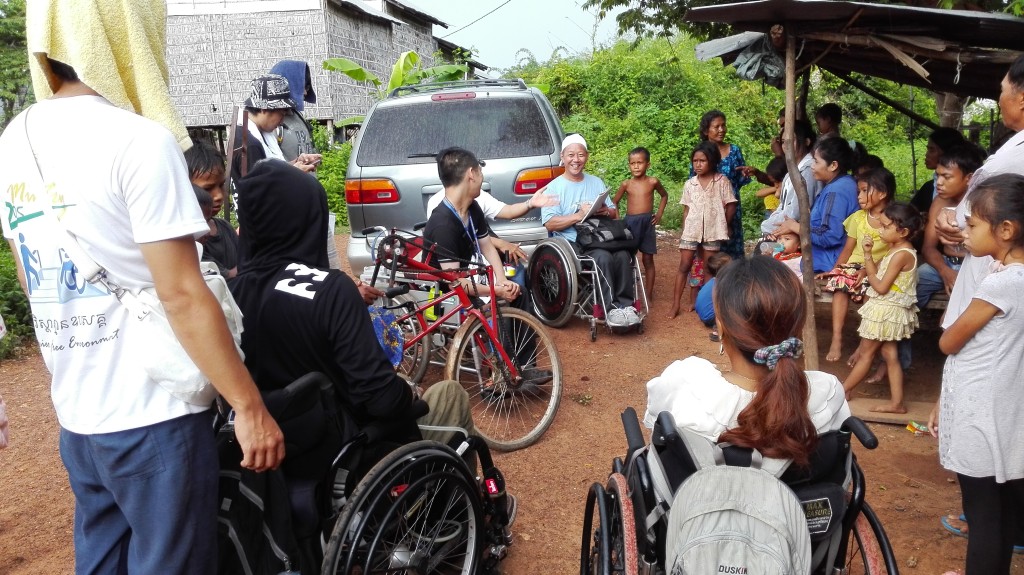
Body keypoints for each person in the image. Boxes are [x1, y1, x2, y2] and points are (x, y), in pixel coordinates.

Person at [0, 5, 285, 570]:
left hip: (78, 416)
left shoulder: (15, 138)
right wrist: (248, 405)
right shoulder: (139, 141)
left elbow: (29, 268)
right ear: (130, 32)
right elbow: (181, 294)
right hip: (153, 415)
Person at [644, 256, 850, 475]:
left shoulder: (686, 386)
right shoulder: (827, 393)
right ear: (797, 329)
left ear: (721, 328)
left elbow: (656, 434)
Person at [927, 174, 1024, 575]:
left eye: (972, 226)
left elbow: (949, 342)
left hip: (981, 416)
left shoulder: (1002, 285)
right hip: (1005, 414)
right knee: (1000, 515)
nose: (965, 234)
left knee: (982, 516)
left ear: (1005, 230)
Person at [938, 55, 1024, 332]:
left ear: (1021, 98)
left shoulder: (1014, 158)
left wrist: (953, 218)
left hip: (994, 273)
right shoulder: (1014, 146)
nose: (999, 99)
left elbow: (964, 219)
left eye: (1002, 90)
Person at [542, 134, 639, 327]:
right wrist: (578, 215)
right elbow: (550, 223)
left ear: (586, 156)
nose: (575, 160)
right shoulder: (554, 188)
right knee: (602, 257)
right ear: (562, 156)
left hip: (599, 236)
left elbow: (613, 212)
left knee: (621, 254)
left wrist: (606, 210)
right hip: (574, 241)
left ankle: (626, 306)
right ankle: (610, 309)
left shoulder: (596, 182)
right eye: (571, 155)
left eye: (580, 155)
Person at [843, 203, 923, 414]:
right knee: (889, 354)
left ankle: (843, 391)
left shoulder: (901, 254)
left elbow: (879, 286)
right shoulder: (897, 249)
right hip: (889, 309)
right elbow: (879, 273)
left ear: (903, 232)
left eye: (886, 226)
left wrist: (868, 259)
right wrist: (870, 258)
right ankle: (897, 403)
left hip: (886, 311)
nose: (880, 230)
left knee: (866, 354)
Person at [423, 147, 525, 306]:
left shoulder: (473, 207)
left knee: (518, 293)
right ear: (471, 173)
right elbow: (454, 282)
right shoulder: (443, 225)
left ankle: (514, 331)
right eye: (480, 172)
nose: (481, 177)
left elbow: (488, 248)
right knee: (496, 306)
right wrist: (495, 290)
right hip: (446, 295)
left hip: (464, 281)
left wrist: (502, 281)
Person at [818, 167, 895, 362]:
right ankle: (837, 337)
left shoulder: (893, 221)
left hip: (880, 268)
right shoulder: (858, 218)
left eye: (864, 191)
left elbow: (894, 251)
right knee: (840, 284)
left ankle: (863, 344)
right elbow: (848, 249)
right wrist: (834, 270)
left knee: (873, 291)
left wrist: (869, 269)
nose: (859, 196)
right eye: (858, 191)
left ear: (883, 193)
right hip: (855, 265)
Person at [669, 141, 737, 319]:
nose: (698, 164)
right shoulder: (690, 184)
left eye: (702, 161)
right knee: (684, 266)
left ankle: (706, 305)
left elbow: (730, 205)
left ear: (713, 161)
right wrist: (685, 230)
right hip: (691, 231)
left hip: (713, 231)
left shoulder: (722, 181)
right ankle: (675, 304)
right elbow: (686, 210)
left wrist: (724, 224)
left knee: (708, 269)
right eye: (695, 161)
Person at [773, 137, 860, 274]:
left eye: (816, 161)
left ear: (833, 165)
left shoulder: (835, 191)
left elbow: (830, 236)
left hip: (828, 263)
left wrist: (795, 227)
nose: (812, 166)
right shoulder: (844, 183)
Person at [917, 145, 983, 308]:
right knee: (908, 286)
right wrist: (945, 271)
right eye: (938, 175)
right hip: (944, 264)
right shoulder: (940, 202)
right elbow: (928, 248)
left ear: (969, 178)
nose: (939, 182)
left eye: (947, 177)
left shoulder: (983, 203)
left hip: (975, 268)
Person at [230, 74, 321, 183]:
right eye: (282, 114)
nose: (282, 121)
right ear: (264, 108)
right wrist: (293, 172)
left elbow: (267, 172)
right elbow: (257, 190)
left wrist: (296, 162)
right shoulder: (249, 144)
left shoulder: (256, 133)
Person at [694, 110, 750, 261]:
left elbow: (739, 182)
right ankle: (709, 285)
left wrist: (747, 173)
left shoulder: (734, 151)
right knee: (708, 258)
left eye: (723, 125)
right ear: (706, 131)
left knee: (731, 256)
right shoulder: (700, 154)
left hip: (731, 211)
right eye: (716, 126)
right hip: (707, 212)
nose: (721, 130)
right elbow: (693, 185)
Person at [613, 146, 668, 300]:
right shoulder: (626, 184)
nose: (636, 166)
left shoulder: (653, 182)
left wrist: (659, 214)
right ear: (629, 165)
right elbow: (614, 202)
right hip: (630, 223)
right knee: (628, 257)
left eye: (640, 163)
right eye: (632, 163)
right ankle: (628, 293)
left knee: (648, 259)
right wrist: (618, 220)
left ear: (648, 164)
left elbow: (664, 196)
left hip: (647, 224)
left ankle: (648, 294)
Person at [185, 140, 240, 278]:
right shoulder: (192, 240)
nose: (219, 196)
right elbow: (227, 276)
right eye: (207, 189)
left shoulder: (225, 227)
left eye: (221, 185)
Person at [758, 119, 821, 236]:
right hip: (785, 230)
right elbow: (782, 205)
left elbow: (796, 212)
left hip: (799, 235)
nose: (785, 146)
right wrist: (770, 223)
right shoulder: (790, 172)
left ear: (807, 141)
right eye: (783, 141)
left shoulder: (809, 170)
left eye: (791, 141)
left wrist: (766, 226)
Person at [268, 60, 319, 162]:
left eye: (307, 87)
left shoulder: (298, 116)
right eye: (301, 87)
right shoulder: (272, 124)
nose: (305, 92)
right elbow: (270, 169)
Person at [909, 127, 967, 216]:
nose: (926, 154)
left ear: (947, 152)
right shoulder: (928, 188)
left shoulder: (974, 200)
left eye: (932, 150)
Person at [694, 252, 732, 342]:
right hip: (710, 317)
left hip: (703, 314)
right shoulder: (723, 284)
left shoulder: (713, 281)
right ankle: (718, 330)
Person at [754, 156, 787, 220]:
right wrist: (777, 188)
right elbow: (758, 193)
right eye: (774, 182)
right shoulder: (771, 197)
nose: (776, 185)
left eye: (777, 182)